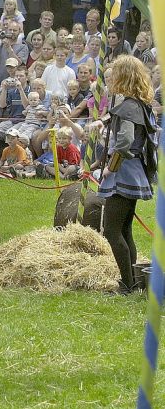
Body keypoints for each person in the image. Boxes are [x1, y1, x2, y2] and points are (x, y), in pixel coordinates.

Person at [94, 55, 158, 293]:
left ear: (124, 77)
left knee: (112, 230)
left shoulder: (130, 105)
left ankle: (127, 283)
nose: (109, 80)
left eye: (114, 74)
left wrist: (111, 167)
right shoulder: (136, 104)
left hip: (124, 173)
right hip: (132, 171)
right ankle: (131, 281)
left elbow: (126, 141)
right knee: (124, 229)